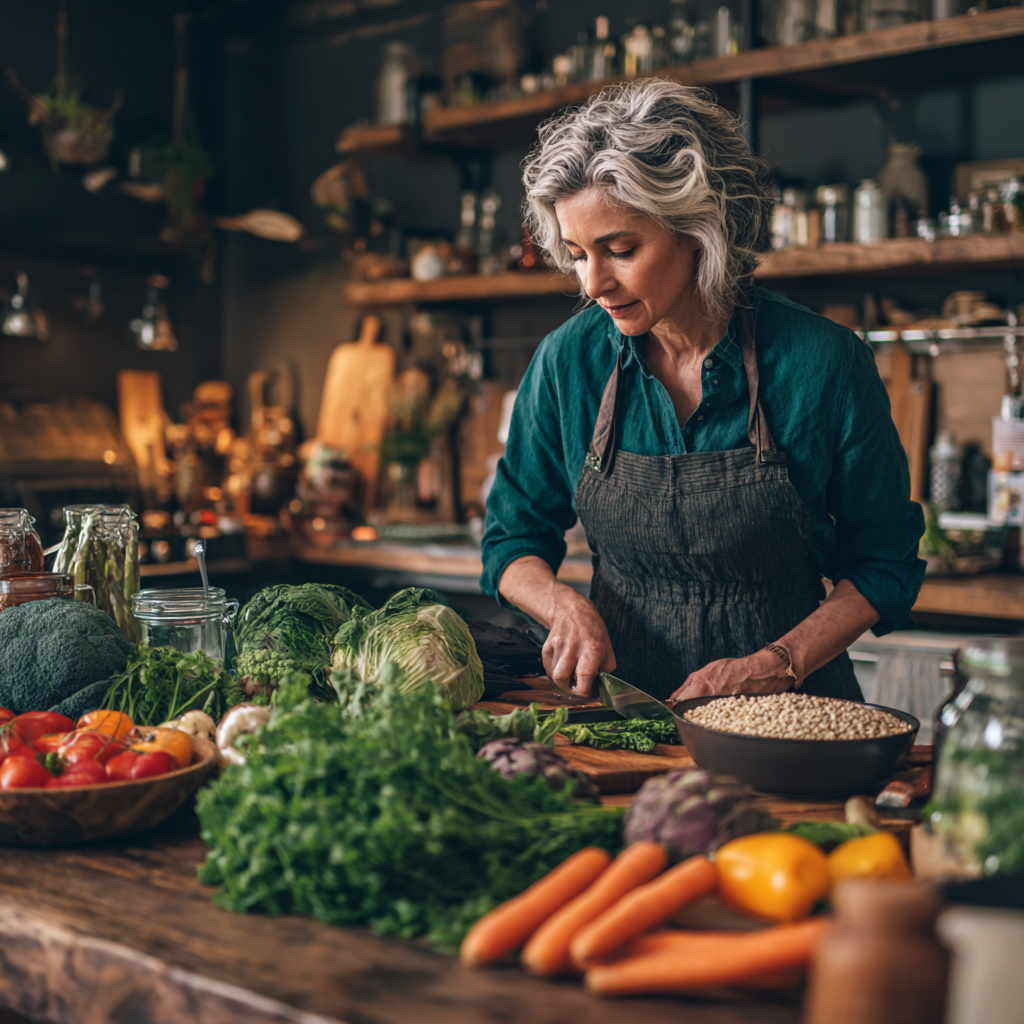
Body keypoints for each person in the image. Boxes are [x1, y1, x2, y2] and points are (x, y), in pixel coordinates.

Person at [480, 79, 925, 704]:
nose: (594, 284)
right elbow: (511, 540)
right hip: (624, 713)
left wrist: (780, 663)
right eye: (578, 254)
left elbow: (884, 564)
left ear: (698, 230)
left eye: (621, 249)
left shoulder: (824, 362)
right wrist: (561, 605)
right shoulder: (567, 362)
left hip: (791, 712)